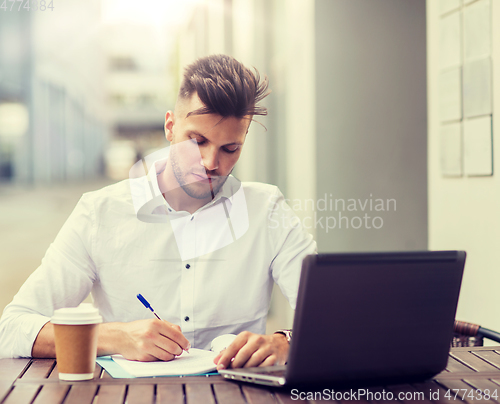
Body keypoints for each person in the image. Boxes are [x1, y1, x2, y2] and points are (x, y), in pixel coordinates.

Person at [0, 54, 316, 370]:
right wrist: (114, 337)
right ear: (170, 127)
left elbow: (335, 317)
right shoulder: (100, 213)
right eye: (197, 140)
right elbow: (12, 330)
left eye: (230, 149)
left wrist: (286, 341)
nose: (210, 162)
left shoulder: (267, 210)